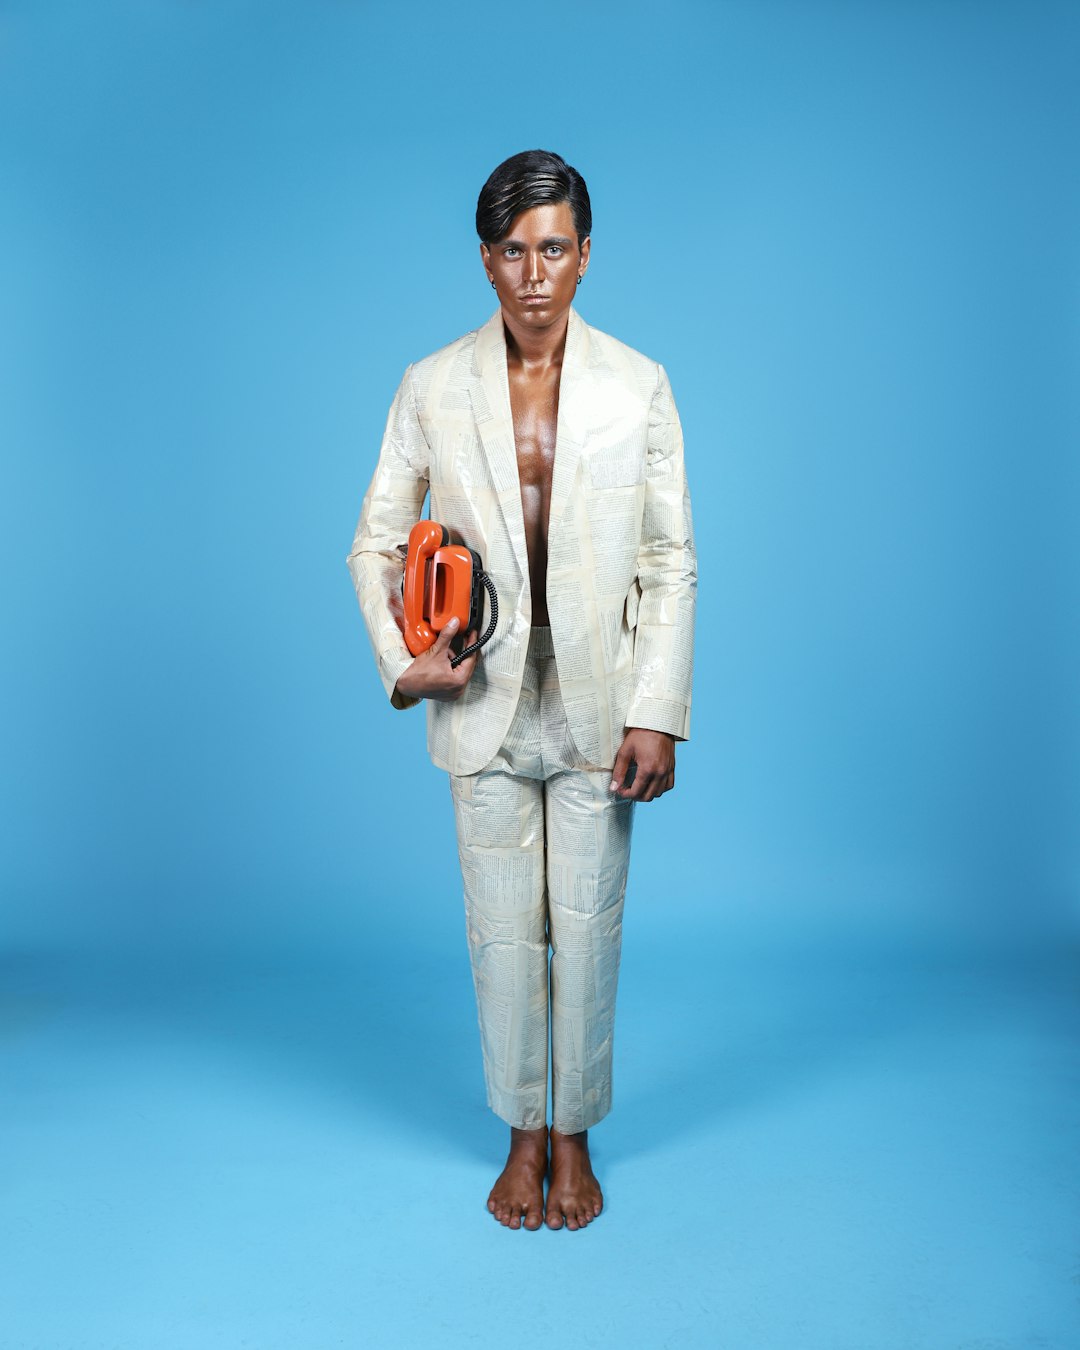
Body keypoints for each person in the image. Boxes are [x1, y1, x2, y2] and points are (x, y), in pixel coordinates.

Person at [346, 149, 696, 1231]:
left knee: (587, 925)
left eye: (554, 249)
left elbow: (669, 558)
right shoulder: (431, 384)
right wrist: (404, 666)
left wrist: (657, 708)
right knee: (502, 931)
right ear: (487, 262)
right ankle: (521, 1135)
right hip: (480, 693)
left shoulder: (639, 385)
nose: (535, 273)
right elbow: (372, 541)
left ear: (586, 255)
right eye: (513, 252)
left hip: (598, 700)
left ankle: (577, 1135)